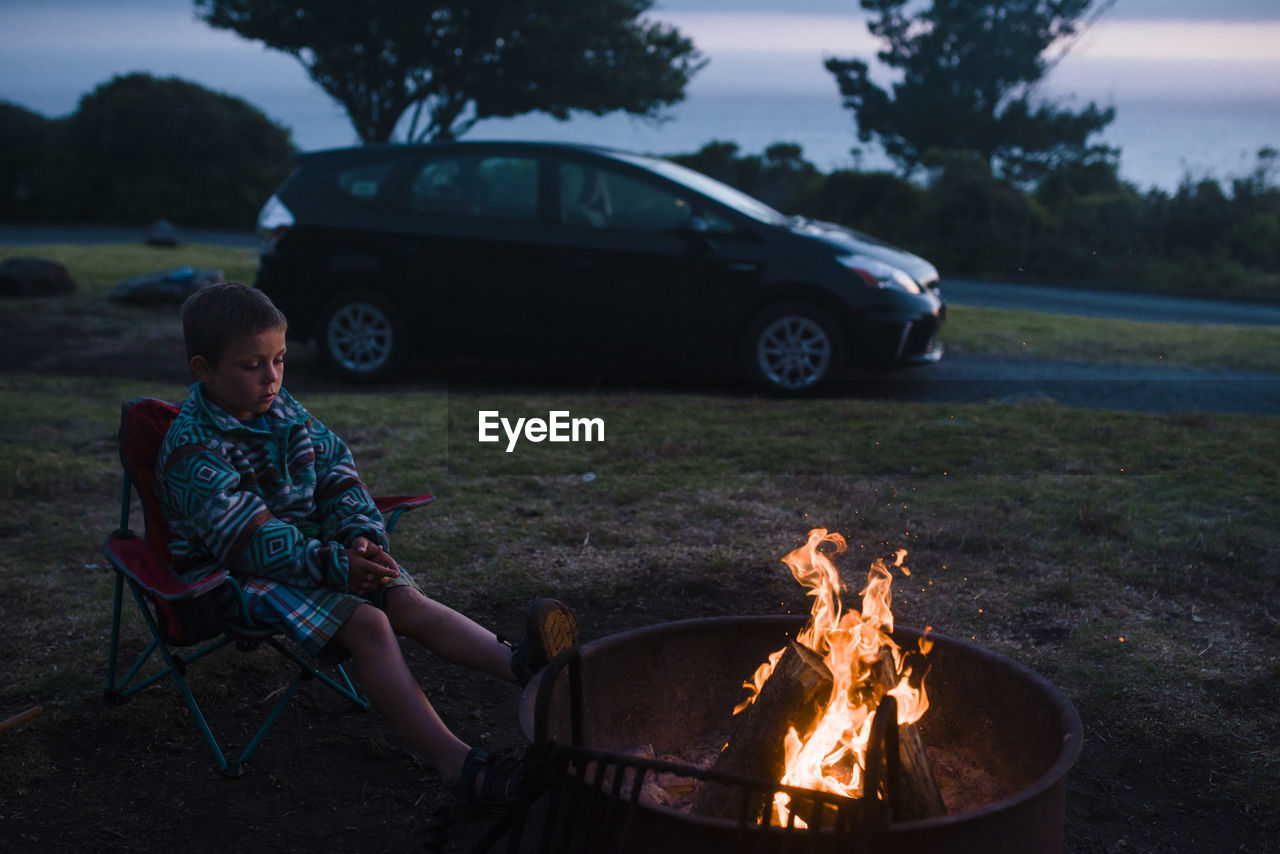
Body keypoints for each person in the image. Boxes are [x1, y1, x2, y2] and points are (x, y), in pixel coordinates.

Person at [156, 281, 577, 807]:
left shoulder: (282, 409)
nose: (272, 378)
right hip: (233, 576)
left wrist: (361, 536)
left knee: (401, 597)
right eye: (252, 365)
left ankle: (527, 668)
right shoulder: (193, 449)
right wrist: (336, 565)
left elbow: (336, 469)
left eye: (280, 360)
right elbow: (248, 541)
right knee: (370, 622)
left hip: (312, 553)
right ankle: (462, 769)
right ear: (204, 370)